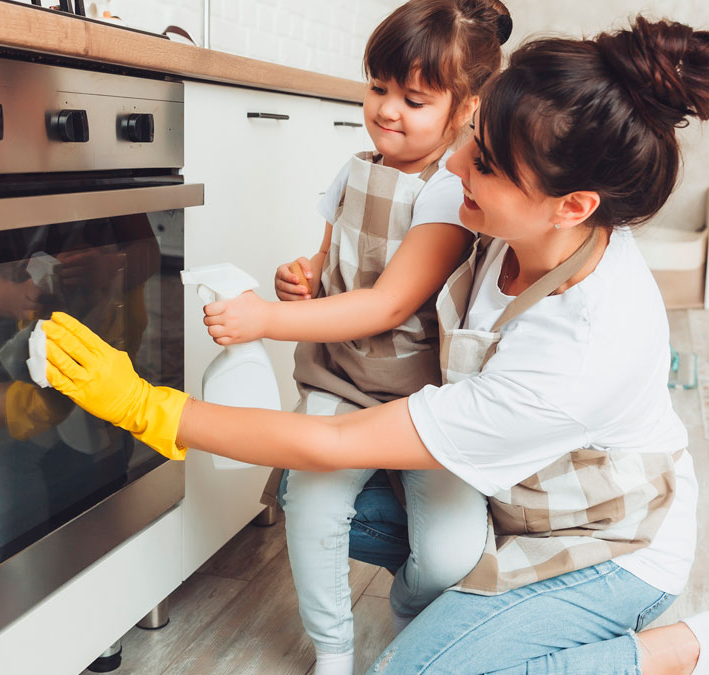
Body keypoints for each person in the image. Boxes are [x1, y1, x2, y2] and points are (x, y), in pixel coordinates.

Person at [42, 13, 709, 674]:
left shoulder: (581, 346)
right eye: (476, 136)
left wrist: (148, 407)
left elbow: (341, 443)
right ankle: (478, 616)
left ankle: (673, 652)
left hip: (603, 546)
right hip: (509, 499)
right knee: (299, 494)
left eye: (488, 163)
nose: (457, 163)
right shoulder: (494, 208)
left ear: (574, 206)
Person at [197, 2, 511, 673]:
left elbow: (383, 303)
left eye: (414, 99)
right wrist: (301, 276)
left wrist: (265, 318)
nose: (388, 110)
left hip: (428, 402)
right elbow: (332, 258)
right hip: (341, 381)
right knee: (309, 509)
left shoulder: (449, 194)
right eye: (378, 88)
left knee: (452, 552)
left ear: (465, 109)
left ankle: (409, 614)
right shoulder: (355, 166)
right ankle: (334, 649)